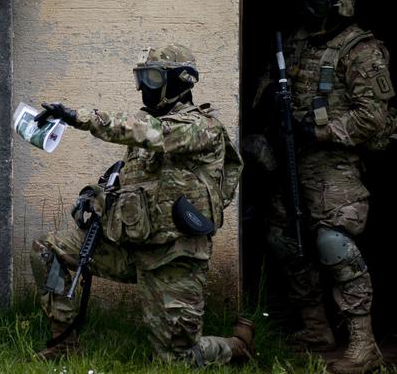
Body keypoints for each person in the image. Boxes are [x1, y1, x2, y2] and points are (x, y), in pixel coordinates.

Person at [29, 45, 252, 366]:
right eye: (140, 77)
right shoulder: (149, 126)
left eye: (151, 77)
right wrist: (96, 199)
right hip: (128, 249)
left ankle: (235, 347)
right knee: (46, 251)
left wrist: (78, 117)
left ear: (179, 80)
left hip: (173, 258)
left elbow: (146, 133)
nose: (143, 86)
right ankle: (63, 345)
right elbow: (139, 189)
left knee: (175, 360)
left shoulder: (201, 128)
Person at [257, 0, 397, 374]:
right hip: (291, 158)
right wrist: (268, 98)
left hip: (334, 162)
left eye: (315, 7)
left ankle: (364, 345)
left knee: (333, 244)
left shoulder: (361, 51)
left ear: (340, 7)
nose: (307, 14)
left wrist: (316, 129)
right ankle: (316, 329)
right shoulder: (295, 42)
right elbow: (269, 83)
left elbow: (372, 119)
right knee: (283, 239)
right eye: (303, 6)